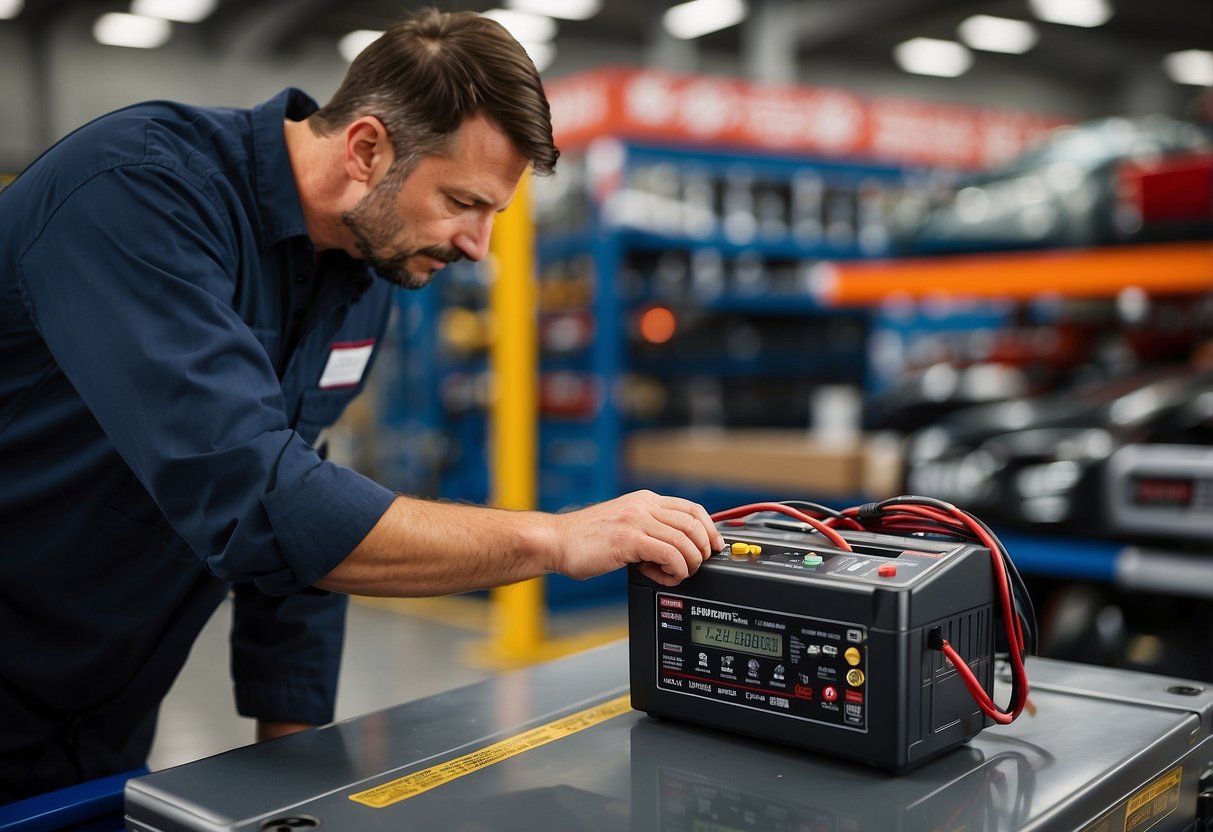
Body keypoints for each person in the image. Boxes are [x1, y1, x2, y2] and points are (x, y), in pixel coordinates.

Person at [0, 8, 722, 803]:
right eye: (462, 201)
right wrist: (553, 538)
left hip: (99, 717)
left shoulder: (361, 276)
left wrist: (290, 773)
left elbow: (300, 501)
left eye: (494, 215)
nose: (479, 246)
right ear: (367, 147)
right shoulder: (137, 193)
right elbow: (259, 500)